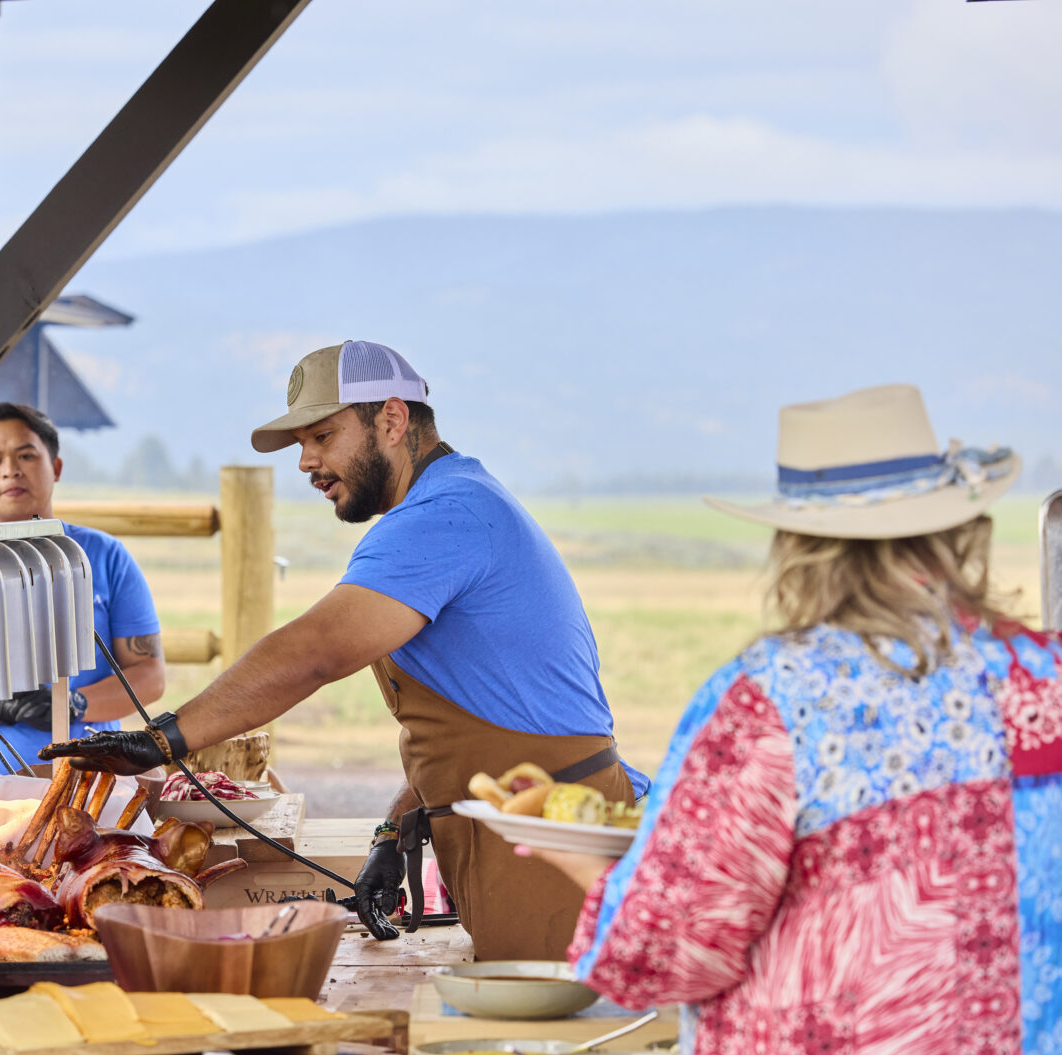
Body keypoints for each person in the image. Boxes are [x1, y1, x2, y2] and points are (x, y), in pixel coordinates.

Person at [41, 340, 648, 959]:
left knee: (559, 1045)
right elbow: (474, 723)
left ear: (391, 419)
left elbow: (316, 652)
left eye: (323, 437)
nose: (307, 462)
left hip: (549, 842)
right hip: (522, 830)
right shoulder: (453, 502)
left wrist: (162, 739)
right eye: (302, 444)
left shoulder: (445, 515)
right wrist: (395, 828)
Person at [545, 384, 1060, 1055]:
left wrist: (591, 873)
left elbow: (670, 949)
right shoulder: (1046, 676)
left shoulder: (771, 701)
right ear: (949, 530)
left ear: (798, 545)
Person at [0, 402, 166, 773]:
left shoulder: (104, 556)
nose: (10, 471)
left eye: (25, 455)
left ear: (56, 468)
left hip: (91, 781)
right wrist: (0, 708)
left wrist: (73, 703)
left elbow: (149, 675)